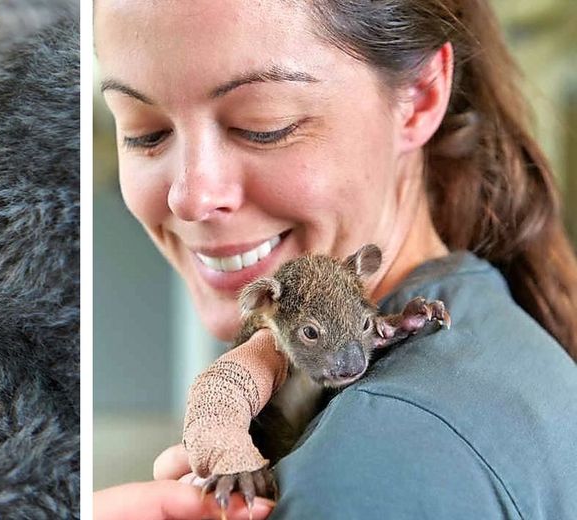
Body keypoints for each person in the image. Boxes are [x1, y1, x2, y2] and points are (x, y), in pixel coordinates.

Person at [94, 0, 577, 519]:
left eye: (265, 126)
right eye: (145, 132)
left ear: (419, 98)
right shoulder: (494, 326)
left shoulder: (375, 454)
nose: (190, 199)